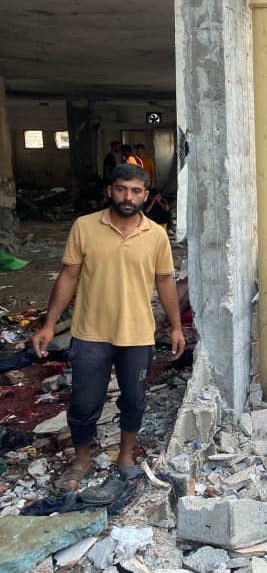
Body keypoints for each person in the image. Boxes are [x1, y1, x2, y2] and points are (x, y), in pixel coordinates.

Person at [31, 163, 186, 493]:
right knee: (85, 403)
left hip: (138, 335)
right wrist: (48, 325)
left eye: (135, 191)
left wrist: (176, 327)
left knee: (134, 400)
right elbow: (68, 276)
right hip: (90, 334)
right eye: (121, 189)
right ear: (109, 190)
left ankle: (125, 458)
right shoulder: (85, 227)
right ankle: (82, 459)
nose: (128, 197)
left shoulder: (156, 235)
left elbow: (165, 281)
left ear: (146, 195)